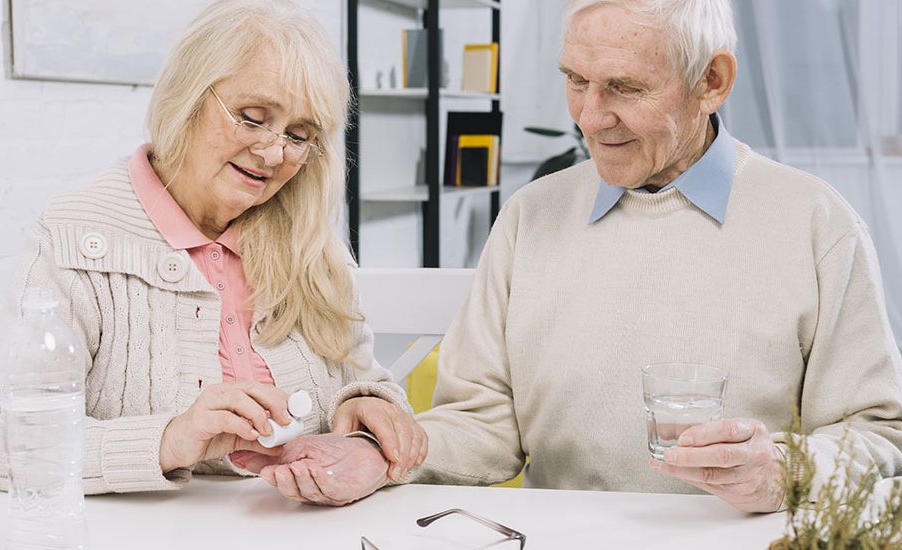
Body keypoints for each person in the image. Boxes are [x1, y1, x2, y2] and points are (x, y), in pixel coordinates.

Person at [315, 0, 902, 512]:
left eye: (625, 87)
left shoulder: (816, 222)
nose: (590, 118)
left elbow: (879, 432)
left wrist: (782, 469)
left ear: (712, 81)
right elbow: (481, 424)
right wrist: (379, 453)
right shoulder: (530, 215)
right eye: (576, 80)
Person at [0, 0, 425, 503]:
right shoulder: (74, 235)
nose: (274, 154)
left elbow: (366, 386)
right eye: (253, 118)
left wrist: (368, 423)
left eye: (298, 136)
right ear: (186, 95)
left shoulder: (310, 239)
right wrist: (168, 439)